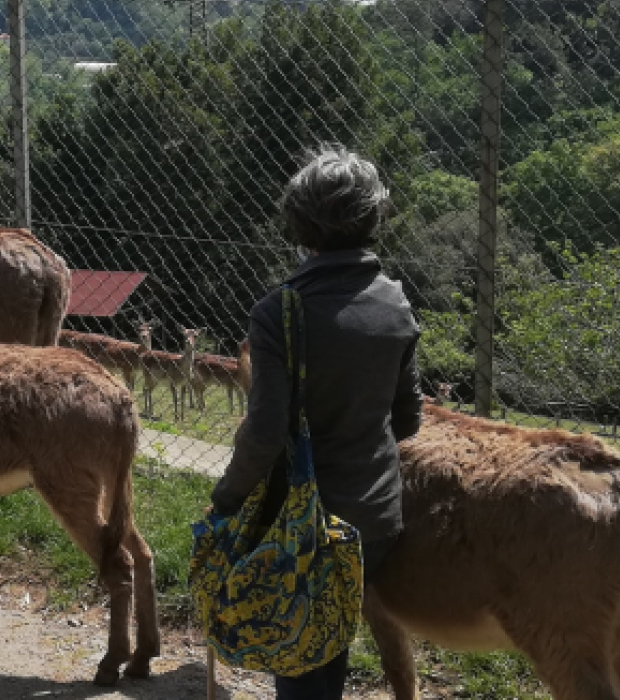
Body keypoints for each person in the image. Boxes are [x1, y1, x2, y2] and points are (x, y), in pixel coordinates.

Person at [208, 145, 423, 700]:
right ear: (375, 218)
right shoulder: (396, 305)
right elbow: (407, 418)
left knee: (302, 658)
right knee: (330, 642)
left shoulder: (279, 311)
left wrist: (226, 498)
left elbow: (264, 432)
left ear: (298, 223)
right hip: (375, 520)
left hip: (297, 524)